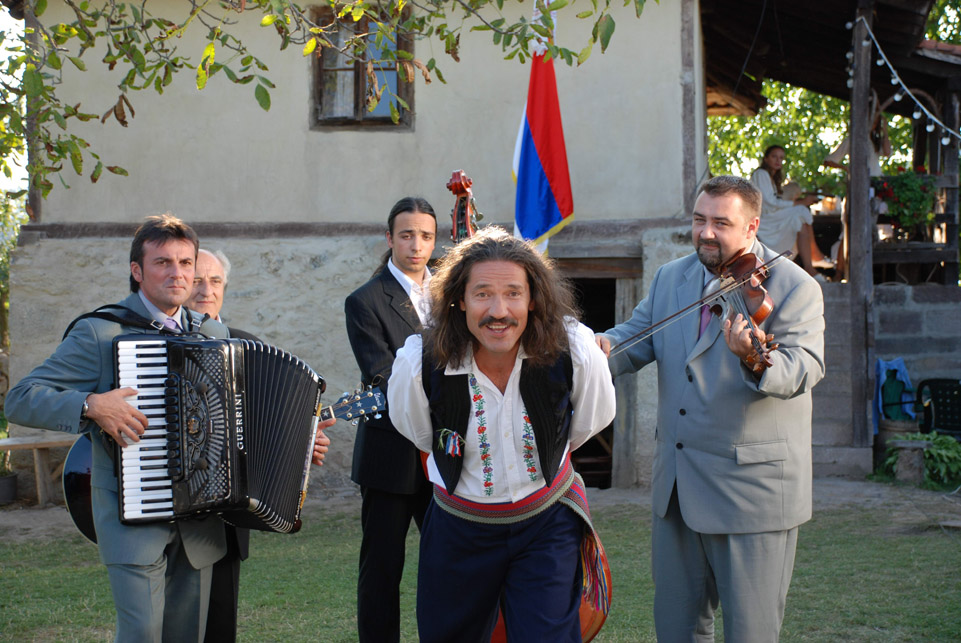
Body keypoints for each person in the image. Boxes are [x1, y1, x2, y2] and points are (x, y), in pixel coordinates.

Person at [6, 217, 330, 641]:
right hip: (132, 517)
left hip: (201, 518)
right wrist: (91, 404)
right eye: (163, 262)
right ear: (138, 271)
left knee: (188, 635)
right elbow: (22, 397)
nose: (178, 273)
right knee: (142, 632)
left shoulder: (213, 333)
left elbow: (240, 417)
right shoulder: (100, 332)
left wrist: (299, 442)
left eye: (185, 262)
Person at [595, 176, 825, 642]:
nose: (706, 232)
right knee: (676, 630)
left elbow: (804, 367)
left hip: (751, 495)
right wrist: (595, 348)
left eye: (722, 223)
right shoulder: (670, 277)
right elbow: (633, 340)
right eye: (700, 220)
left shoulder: (795, 287)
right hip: (677, 490)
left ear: (752, 226)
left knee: (750, 634)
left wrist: (755, 358)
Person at [388, 226, 616, 642]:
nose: (499, 311)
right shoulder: (418, 362)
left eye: (513, 293)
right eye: (482, 294)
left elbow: (584, 426)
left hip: (545, 526)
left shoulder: (576, 351)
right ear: (458, 300)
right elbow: (422, 436)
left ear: (533, 298)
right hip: (460, 529)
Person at [187, 248, 336, 643]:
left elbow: (275, 427)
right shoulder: (158, 345)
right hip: (171, 517)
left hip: (230, 518)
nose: (206, 290)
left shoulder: (248, 347)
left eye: (215, 281)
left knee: (220, 625)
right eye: (197, 279)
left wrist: (305, 445)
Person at [344, 196, 437, 642]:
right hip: (390, 455)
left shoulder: (452, 294)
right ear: (390, 238)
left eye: (425, 236)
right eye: (406, 235)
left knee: (450, 564)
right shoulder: (365, 301)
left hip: (445, 454)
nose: (416, 245)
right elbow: (382, 375)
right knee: (382, 570)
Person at [750, 144, 833, 277]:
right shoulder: (761, 174)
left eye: (781, 158)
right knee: (800, 210)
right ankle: (813, 258)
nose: (778, 160)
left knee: (799, 216)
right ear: (766, 158)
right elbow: (770, 203)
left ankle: (811, 262)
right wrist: (800, 202)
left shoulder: (771, 178)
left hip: (771, 215)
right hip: (765, 218)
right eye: (774, 157)